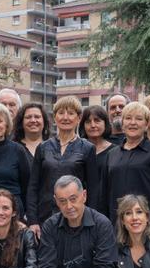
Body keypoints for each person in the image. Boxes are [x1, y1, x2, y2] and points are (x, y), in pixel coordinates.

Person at [99, 102, 150, 237]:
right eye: (128, 118)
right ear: (122, 123)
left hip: (147, 228)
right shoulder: (112, 154)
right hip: (117, 228)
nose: (133, 123)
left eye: (139, 119)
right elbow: (104, 195)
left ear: (146, 124)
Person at [27, 96, 98, 230]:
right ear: (55, 118)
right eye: (61, 113)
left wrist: (90, 220)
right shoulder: (43, 148)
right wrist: (32, 221)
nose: (65, 117)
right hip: (45, 216)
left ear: (78, 118)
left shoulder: (88, 148)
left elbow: (93, 189)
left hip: (75, 217)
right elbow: (33, 187)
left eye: (70, 113)